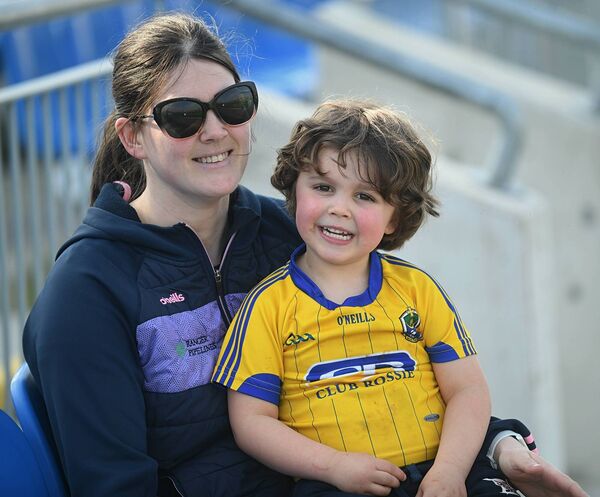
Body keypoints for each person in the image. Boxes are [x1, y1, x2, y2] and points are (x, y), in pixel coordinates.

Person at [21, 11, 588, 497]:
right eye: (183, 116)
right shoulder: (88, 291)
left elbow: (399, 369)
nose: (216, 130)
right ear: (133, 137)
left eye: (231, 105)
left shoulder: (289, 234)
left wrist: (499, 443)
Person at [212, 100, 589, 497]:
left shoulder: (417, 289)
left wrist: (450, 471)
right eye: (323, 187)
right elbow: (251, 422)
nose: (339, 208)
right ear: (294, 190)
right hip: (336, 485)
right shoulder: (266, 305)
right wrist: (335, 466)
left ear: (395, 217)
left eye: (365, 197)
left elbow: (467, 391)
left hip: (444, 470)